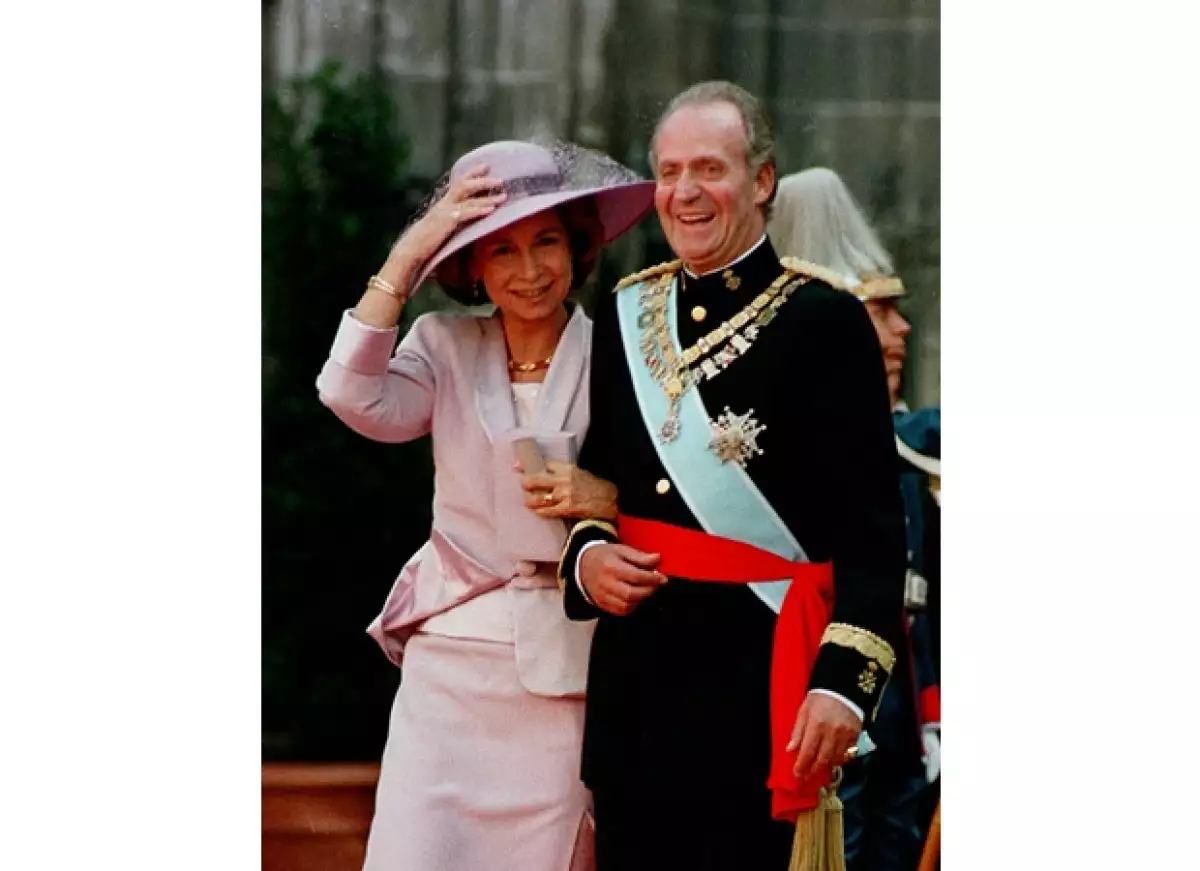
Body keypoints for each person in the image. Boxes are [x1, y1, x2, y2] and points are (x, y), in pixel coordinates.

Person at [557, 82, 908, 870]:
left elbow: (875, 535)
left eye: (709, 169)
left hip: (757, 694)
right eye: (669, 171)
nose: (684, 193)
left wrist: (842, 685)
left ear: (761, 181)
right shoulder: (625, 313)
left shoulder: (825, 321)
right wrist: (587, 558)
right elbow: (599, 482)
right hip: (638, 697)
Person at [315, 139, 655, 871]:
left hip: (565, 675)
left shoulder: (624, 359)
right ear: (470, 267)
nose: (529, 271)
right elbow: (349, 394)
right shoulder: (441, 343)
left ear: (578, 247)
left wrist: (607, 498)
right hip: (448, 671)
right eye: (500, 252)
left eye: (545, 243)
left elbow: (667, 500)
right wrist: (415, 247)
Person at [769, 166, 941, 871]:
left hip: (902, 722)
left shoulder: (912, 442)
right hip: (819, 700)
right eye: (878, 310)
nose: (900, 329)